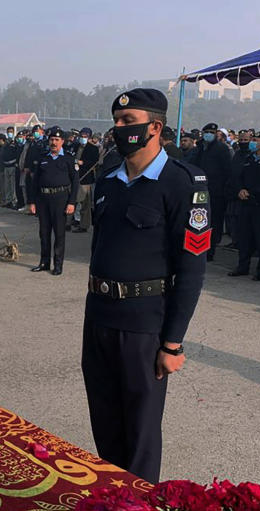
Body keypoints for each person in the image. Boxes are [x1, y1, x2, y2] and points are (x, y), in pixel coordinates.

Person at [82, 88, 209, 483]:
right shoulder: (108, 182)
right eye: (116, 122)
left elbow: (191, 269)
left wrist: (172, 342)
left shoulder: (182, 182)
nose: (118, 129)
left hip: (143, 325)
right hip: (99, 316)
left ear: (155, 127)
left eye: (127, 122)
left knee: (140, 432)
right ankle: (111, 501)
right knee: (105, 422)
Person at [28, 127, 79, 276]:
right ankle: (44, 262)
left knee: (59, 233)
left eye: (57, 140)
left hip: (61, 199)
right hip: (43, 200)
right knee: (44, 233)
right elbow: (35, 182)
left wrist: (72, 202)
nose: (54, 142)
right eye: (51, 140)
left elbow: (75, 182)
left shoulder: (69, 159)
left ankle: (58, 264)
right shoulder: (43, 158)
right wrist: (32, 201)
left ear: (62, 141)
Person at [228, 132, 260, 279]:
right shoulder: (249, 157)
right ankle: (243, 266)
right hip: (245, 201)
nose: (253, 143)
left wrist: (259, 194)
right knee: (244, 236)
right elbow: (238, 177)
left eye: (256, 140)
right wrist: (240, 190)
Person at [187, 123, 233, 261]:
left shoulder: (222, 149)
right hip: (198, 190)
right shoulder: (199, 148)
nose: (208, 134)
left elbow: (227, 170)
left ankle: (209, 250)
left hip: (215, 191)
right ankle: (196, 247)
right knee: (197, 219)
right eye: (206, 131)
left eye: (211, 132)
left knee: (213, 223)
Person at [73, 128, 101, 233]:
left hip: (86, 178)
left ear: (89, 137)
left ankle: (84, 225)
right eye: (82, 136)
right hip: (75, 176)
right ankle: (72, 221)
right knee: (73, 201)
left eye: (85, 137)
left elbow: (94, 162)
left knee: (85, 203)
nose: (83, 138)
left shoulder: (93, 149)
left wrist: (83, 163)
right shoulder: (76, 146)